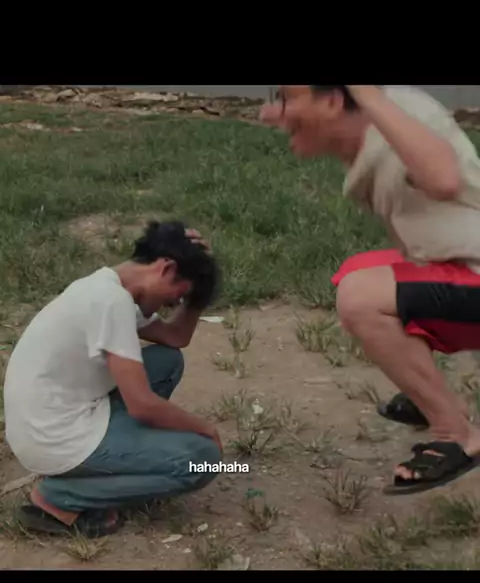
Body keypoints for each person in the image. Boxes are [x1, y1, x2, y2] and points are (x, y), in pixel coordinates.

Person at [261, 85, 480, 495]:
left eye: (286, 97)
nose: (269, 112)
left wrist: (365, 92)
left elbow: (444, 178)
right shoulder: (376, 124)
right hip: (464, 262)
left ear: (332, 101)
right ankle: (424, 392)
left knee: (361, 298)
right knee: (360, 270)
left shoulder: (395, 119)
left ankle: (456, 434)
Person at [4, 220, 223, 536]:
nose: (174, 304)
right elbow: (142, 406)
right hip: (53, 439)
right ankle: (60, 497)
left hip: (50, 420)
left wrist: (200, 284)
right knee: (206, 458)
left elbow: (176, 337)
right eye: (177, 297)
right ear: (167, 269)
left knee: (166, 361)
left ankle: (117, 464)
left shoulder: (107, 288)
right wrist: (206, 429)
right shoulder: (110, 303)